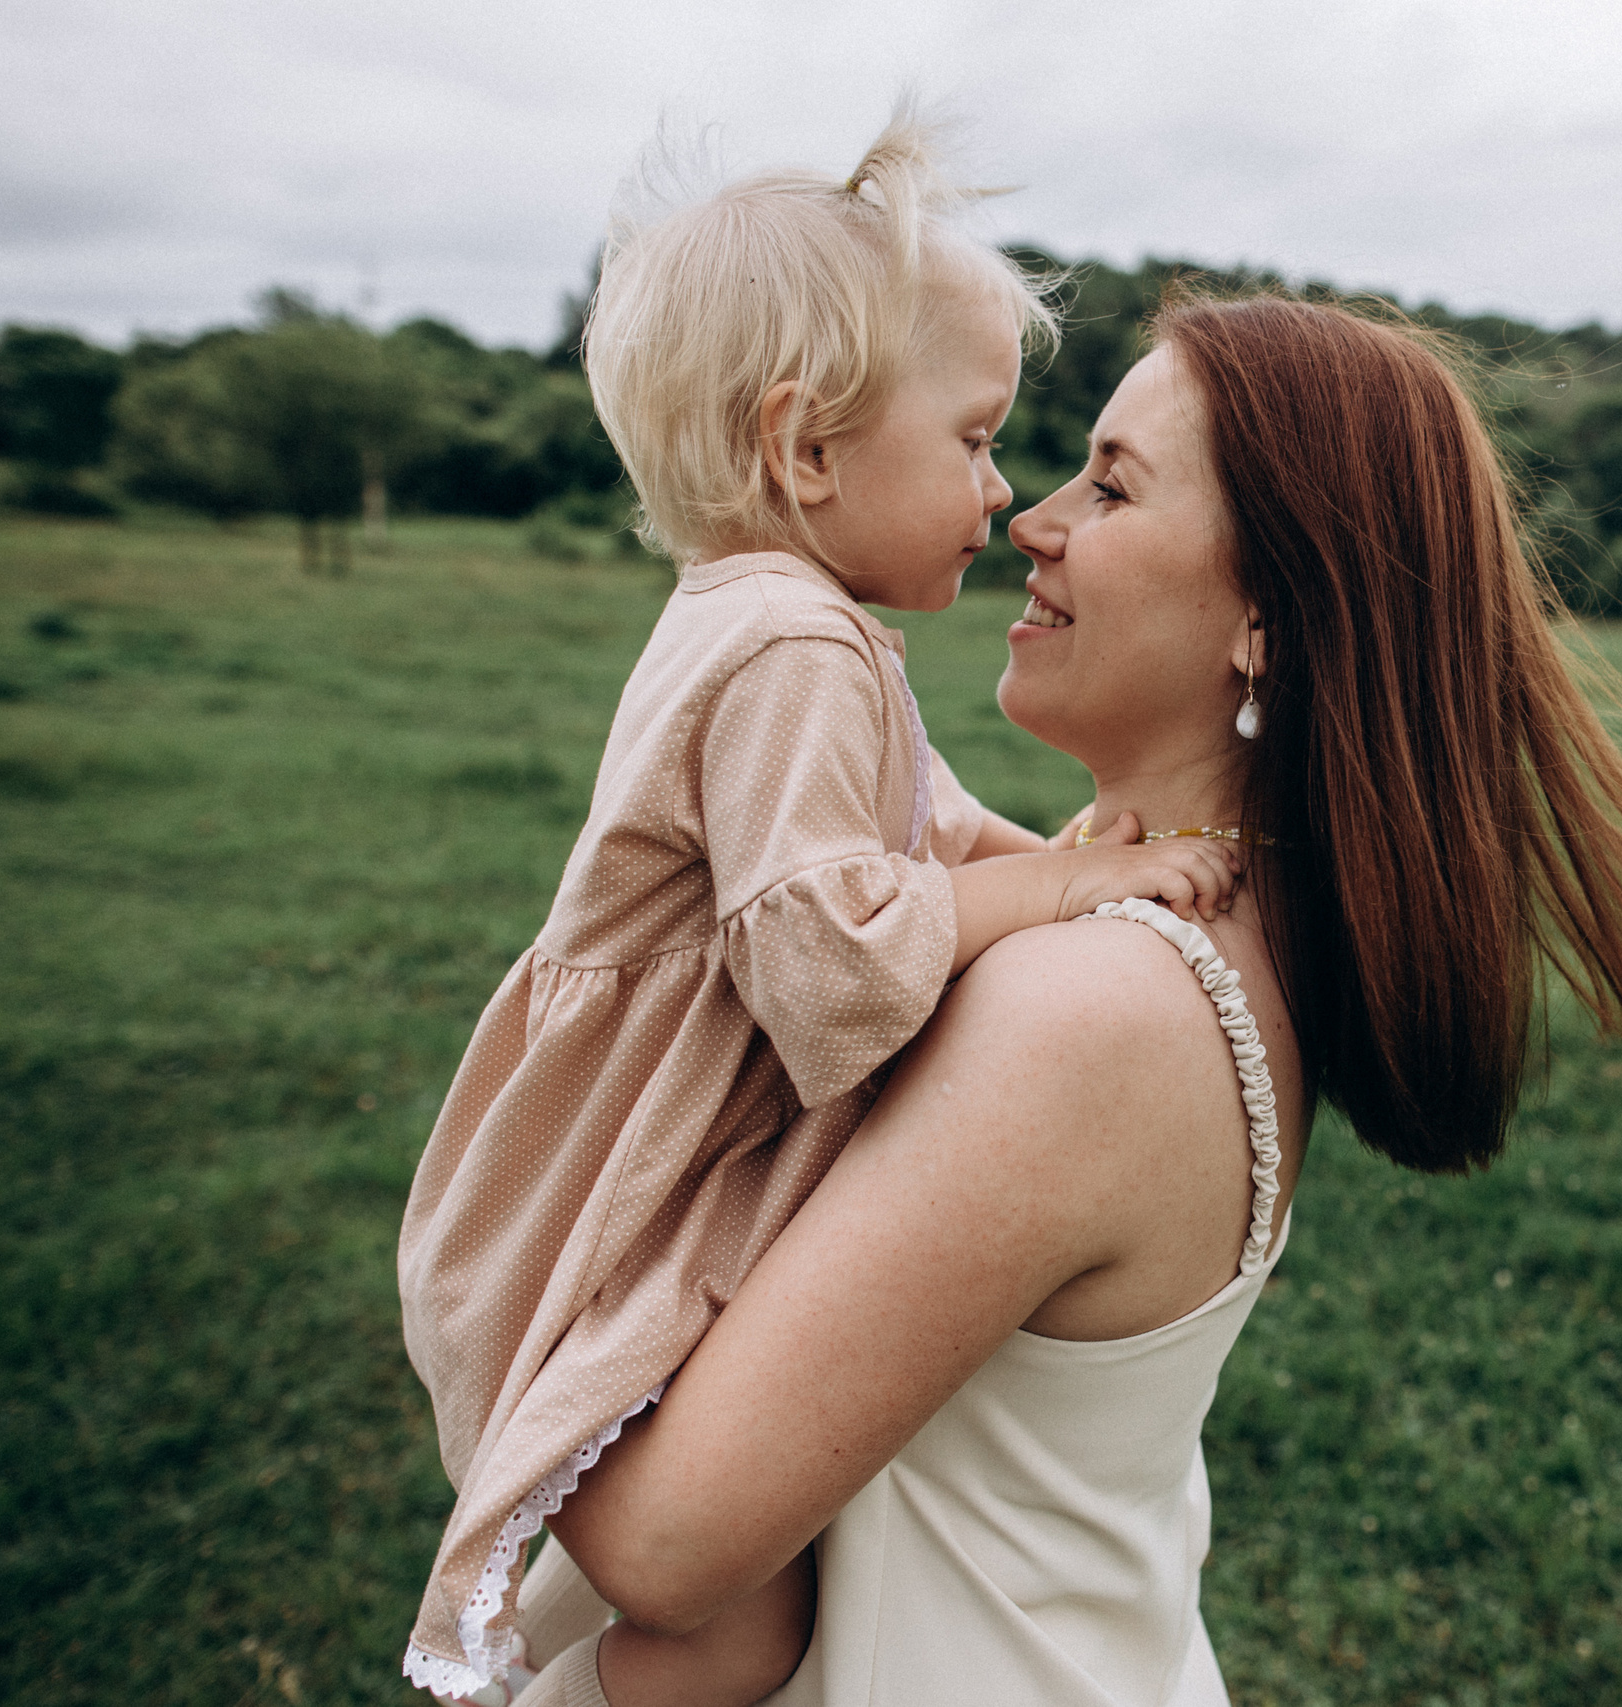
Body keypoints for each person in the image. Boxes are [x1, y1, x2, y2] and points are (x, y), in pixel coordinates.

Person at [501, 291, 1622, 1707]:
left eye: (1111, 484)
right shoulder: (1159, 904)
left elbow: (670, 1548)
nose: (1033, 521)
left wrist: (497, 1272)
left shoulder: (1095, 1008)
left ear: (1269, 626)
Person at [395, 116, 1242, 1704]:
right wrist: (1064, 884)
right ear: (806, 451)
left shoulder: (781, 621)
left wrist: (1052, 847)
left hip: (633, 1132)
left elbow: (911, 830)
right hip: (620, 1168)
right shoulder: (792, 648)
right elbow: (831, 966)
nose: (1008, 495)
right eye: (980, 439)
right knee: (725, 1621)